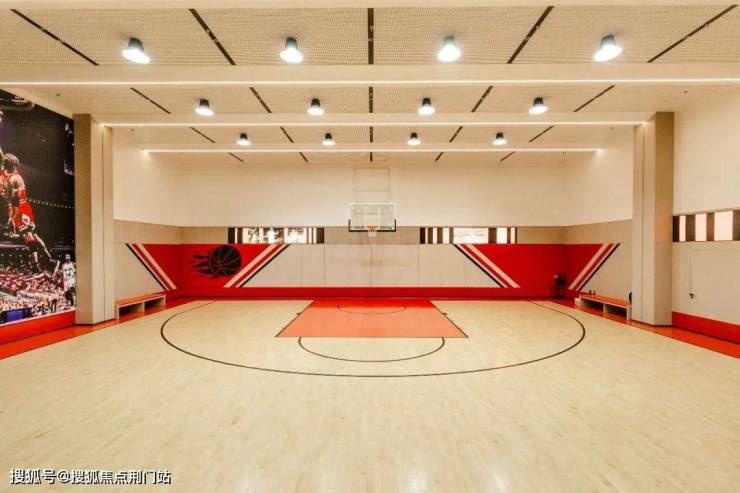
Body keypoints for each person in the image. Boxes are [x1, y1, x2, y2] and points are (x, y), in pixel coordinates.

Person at [2, 153, 54, 273]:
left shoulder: (14, 178)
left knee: (29, 237)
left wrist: (11, 218)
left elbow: (15, 201)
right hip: (21, 207)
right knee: (34, 236)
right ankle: (49, 259)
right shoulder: (10, 176)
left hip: (19, 209)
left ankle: (36, 266)